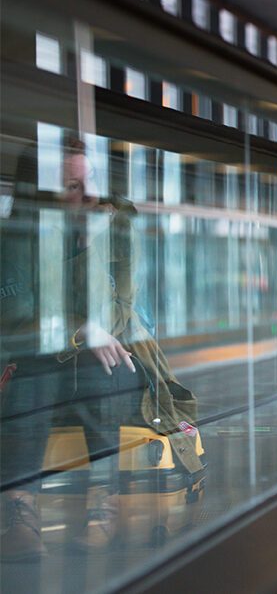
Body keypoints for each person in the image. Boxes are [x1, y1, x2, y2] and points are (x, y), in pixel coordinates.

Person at [0, 138, 202, 560]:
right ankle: (21, 513)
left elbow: (118, 313)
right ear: (42, 197)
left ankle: (103, 502)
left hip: (109, 369)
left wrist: (91, 243)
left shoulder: (115, 225)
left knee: (109, 365)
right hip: (41, 374)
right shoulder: (18, 235)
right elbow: (17, 316)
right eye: (73, 186)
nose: (89, 194)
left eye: (88, 179)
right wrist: (78, 329)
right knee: (37, 371)